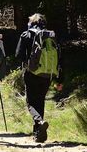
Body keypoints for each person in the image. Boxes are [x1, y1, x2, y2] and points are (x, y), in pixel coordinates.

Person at [15, 13, 63, 142]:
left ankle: (39, 122)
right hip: (48, 73)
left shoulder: (26, 34)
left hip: (32, 72)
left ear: (31, 22)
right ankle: (38, 133)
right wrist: (59, 79)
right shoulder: (51, 36)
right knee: (40, 100)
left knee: (31, 102)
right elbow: (59, 57)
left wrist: (27, 63)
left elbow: (18, 54)